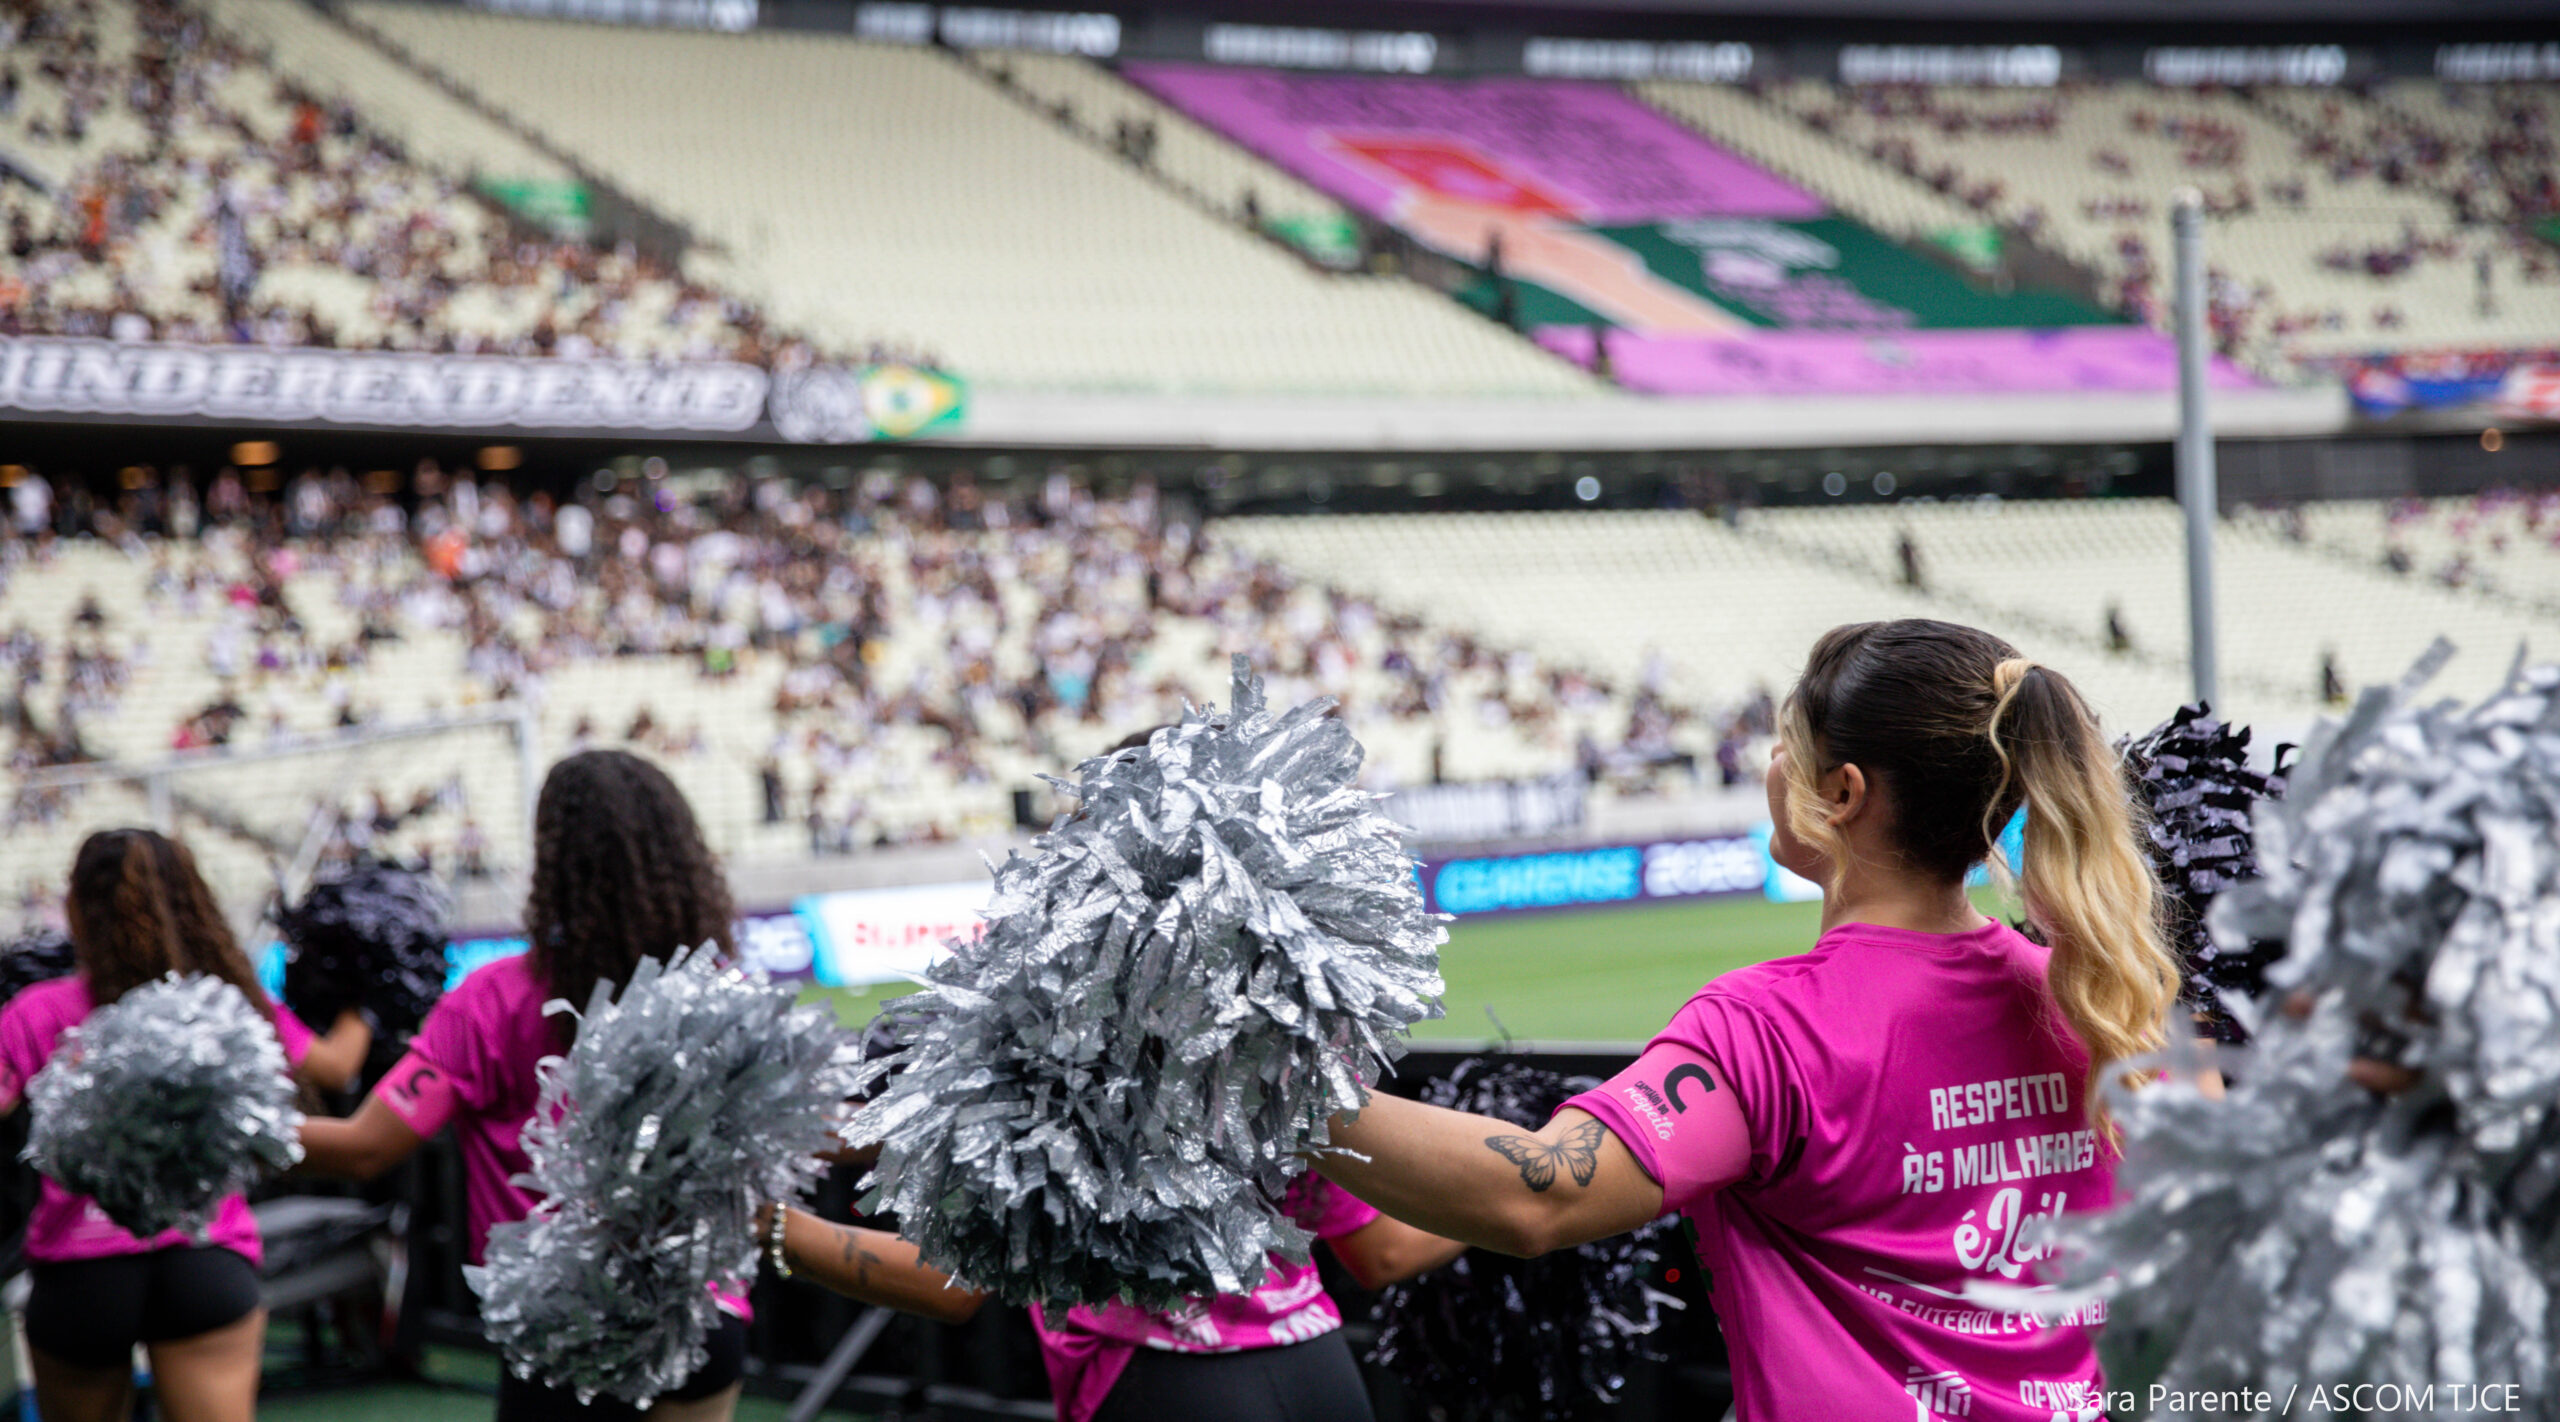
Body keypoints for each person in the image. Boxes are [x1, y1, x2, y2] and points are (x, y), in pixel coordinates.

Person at [1309, 620, 2180, 1421]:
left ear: (1843, 792)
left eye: (1786, 743)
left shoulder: (1770, 1025)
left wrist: (1277, 1088)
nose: (1770, 760)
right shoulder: (2099, 1000)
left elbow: (1538, 1192)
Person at [297, 750, 746, 1422]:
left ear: (553, 863)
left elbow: (366, 1145)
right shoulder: (718, 993)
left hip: (563, 1331)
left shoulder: (491, 1000)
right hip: (702, 1313)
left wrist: (229, 1126)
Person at [0, 829, 362, 1422]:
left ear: (75, 910)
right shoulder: (225, 1002)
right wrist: (365, 995)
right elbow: (337, 1066)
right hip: (205, 1259)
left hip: (79, 1271)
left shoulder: (38, 1010)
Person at [765, 1162, 1462, 1422]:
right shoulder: (1285, 1016)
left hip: (1163, 1381)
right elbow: (1386, 1252)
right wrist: (1480, 1218)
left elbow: (955, 1282)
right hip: (1319, 1369)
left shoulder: (1044, 1025)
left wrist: (772, 1227)